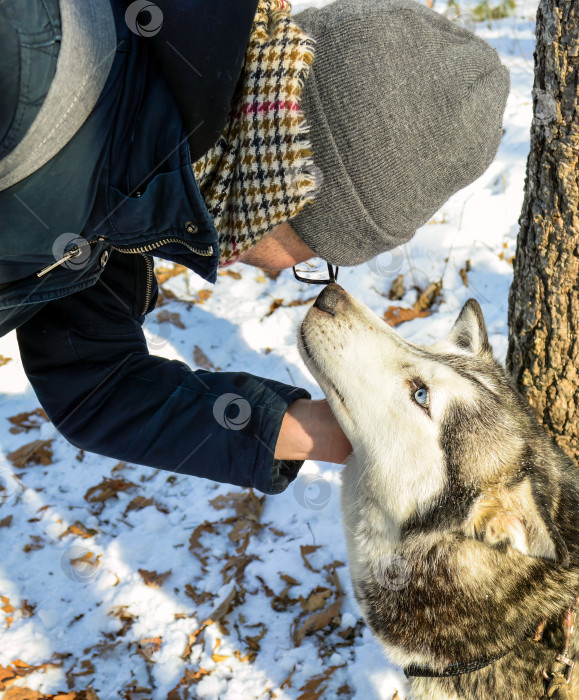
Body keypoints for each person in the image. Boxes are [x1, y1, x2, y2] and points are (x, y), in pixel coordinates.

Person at [0, 0, 509, 494]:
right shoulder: (33, 66)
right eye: (317, 255)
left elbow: (95, 383)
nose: (288, 270)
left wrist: (306, 429)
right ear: (288, 193)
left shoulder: (144, 165)